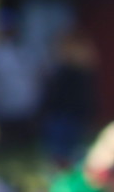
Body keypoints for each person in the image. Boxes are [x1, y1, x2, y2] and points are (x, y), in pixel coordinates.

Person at [0, 10, 42, 192]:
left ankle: (29, 186)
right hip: (5, 111)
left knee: (27, 152)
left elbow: (37, 79)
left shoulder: (27, 52)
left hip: (27, 110)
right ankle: (5, 187)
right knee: (4, 153)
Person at [39, 29, 99, 169]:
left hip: (71, 117)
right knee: (61, 155)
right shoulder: (64, 70)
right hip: (62, 117)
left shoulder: (78, 72)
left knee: (70, 155)